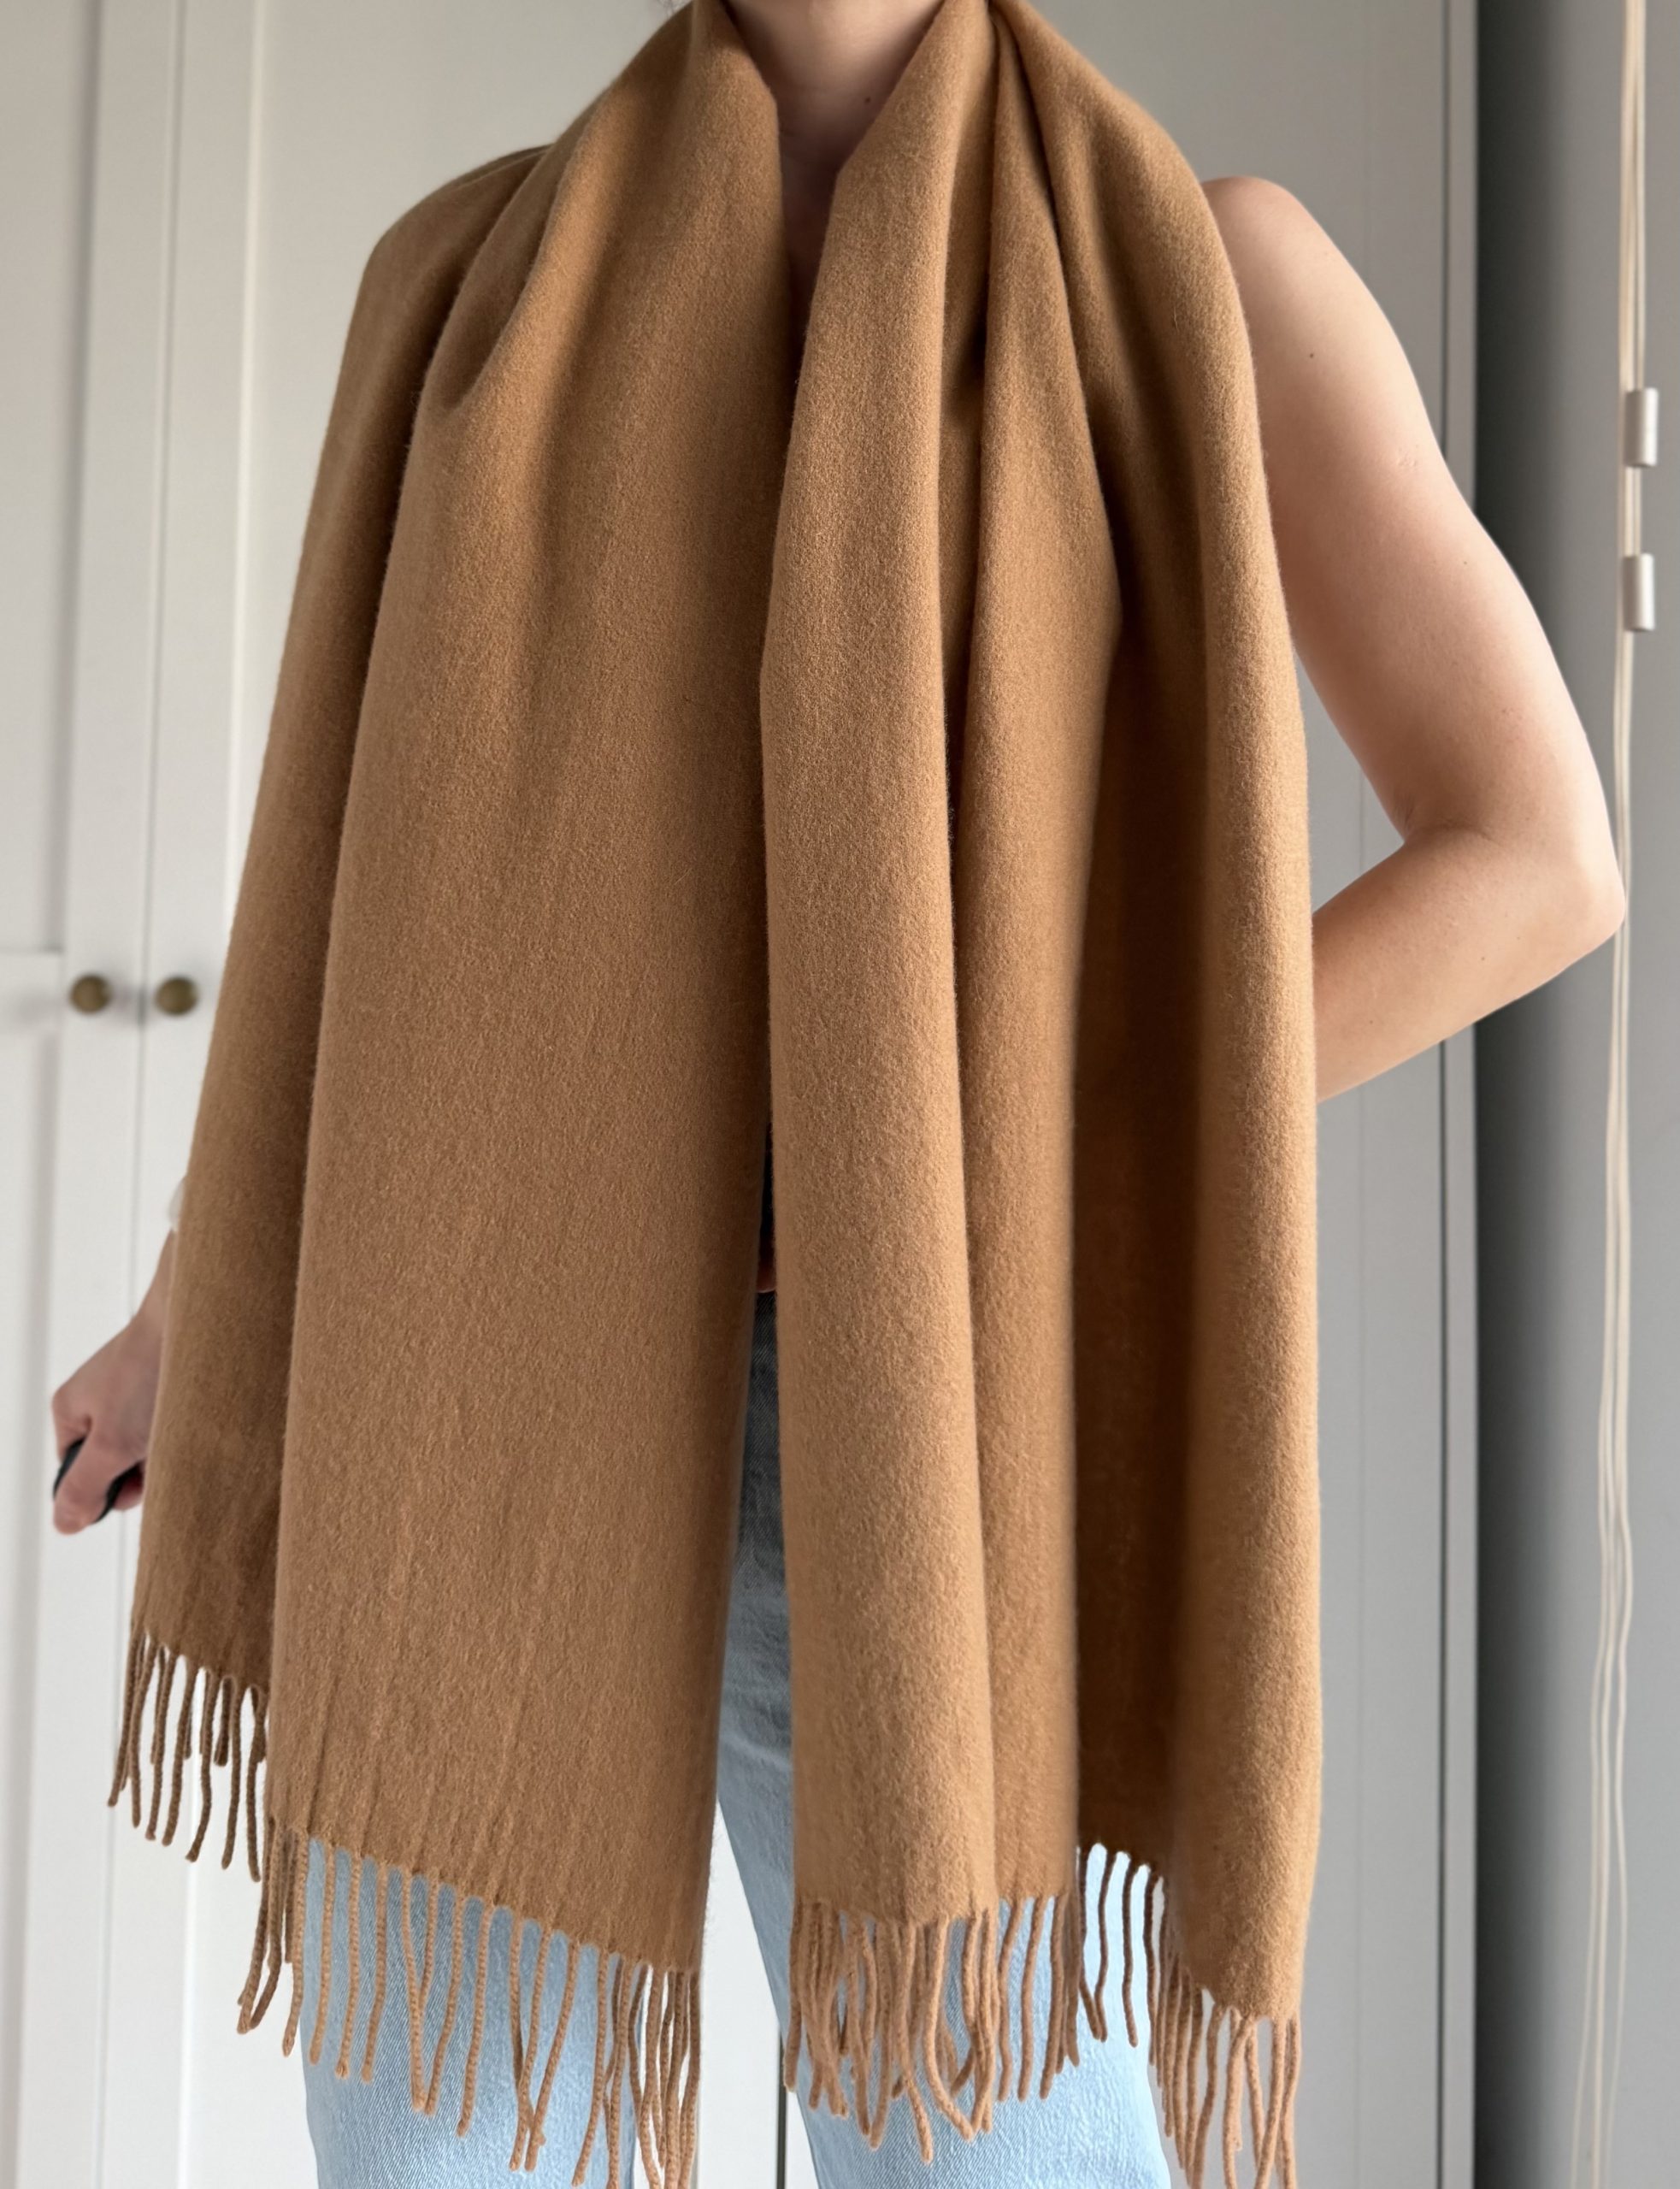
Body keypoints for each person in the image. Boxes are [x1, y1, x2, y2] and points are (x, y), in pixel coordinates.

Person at [50, 0, 1623, 2181]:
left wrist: (1012, 1164)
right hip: (472, 1367)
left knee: (988, 2145)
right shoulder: (468, 289)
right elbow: (365, 922)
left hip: (920, 1415)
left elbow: (1531, 854)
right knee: (445, 2151)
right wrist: (186, 1306)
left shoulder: (1202, 277)